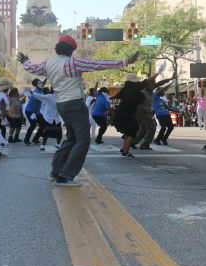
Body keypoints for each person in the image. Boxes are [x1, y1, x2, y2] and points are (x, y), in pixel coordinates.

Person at [18, 34, 139, 187]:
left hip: (61, 104)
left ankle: (56, 171)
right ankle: (66, 176)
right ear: (70, 50)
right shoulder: (73, 63)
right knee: (83, 140)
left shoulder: (48, 63)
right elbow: (97, 64)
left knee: (71, 138)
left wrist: (25, 61)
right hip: (75, 103)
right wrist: (125, 61)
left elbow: (32, 68)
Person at [114, 74, 146, 158]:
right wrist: (158, 73)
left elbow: (117, 96)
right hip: (126, 114)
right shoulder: (136, 92)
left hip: (121, 113)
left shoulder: (125, 89)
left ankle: (124, 150)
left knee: (128, 131)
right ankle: (125, 151)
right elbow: (147, 81)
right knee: (132, 131)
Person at [27, 87, 63, 151]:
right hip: (50, 118)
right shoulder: (52, 96)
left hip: (55, 118)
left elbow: (40, 96)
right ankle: (44, 145)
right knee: (49, 133)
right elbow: (40, 96)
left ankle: (56, 145)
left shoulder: (60, 97)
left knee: (55, 133)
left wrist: (33, 93)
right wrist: (33, 93)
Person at [23, 79, 44, 144]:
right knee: (33, 125)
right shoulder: (37, 92)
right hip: (31, 111)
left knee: (43, 124)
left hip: (35, 111)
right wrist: (34, 113)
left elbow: (43, 84)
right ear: (36, 85)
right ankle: (27, 140)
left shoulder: (38, 90)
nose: (41, 84)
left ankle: (35, 139)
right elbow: (36, 102)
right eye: (39, 83)